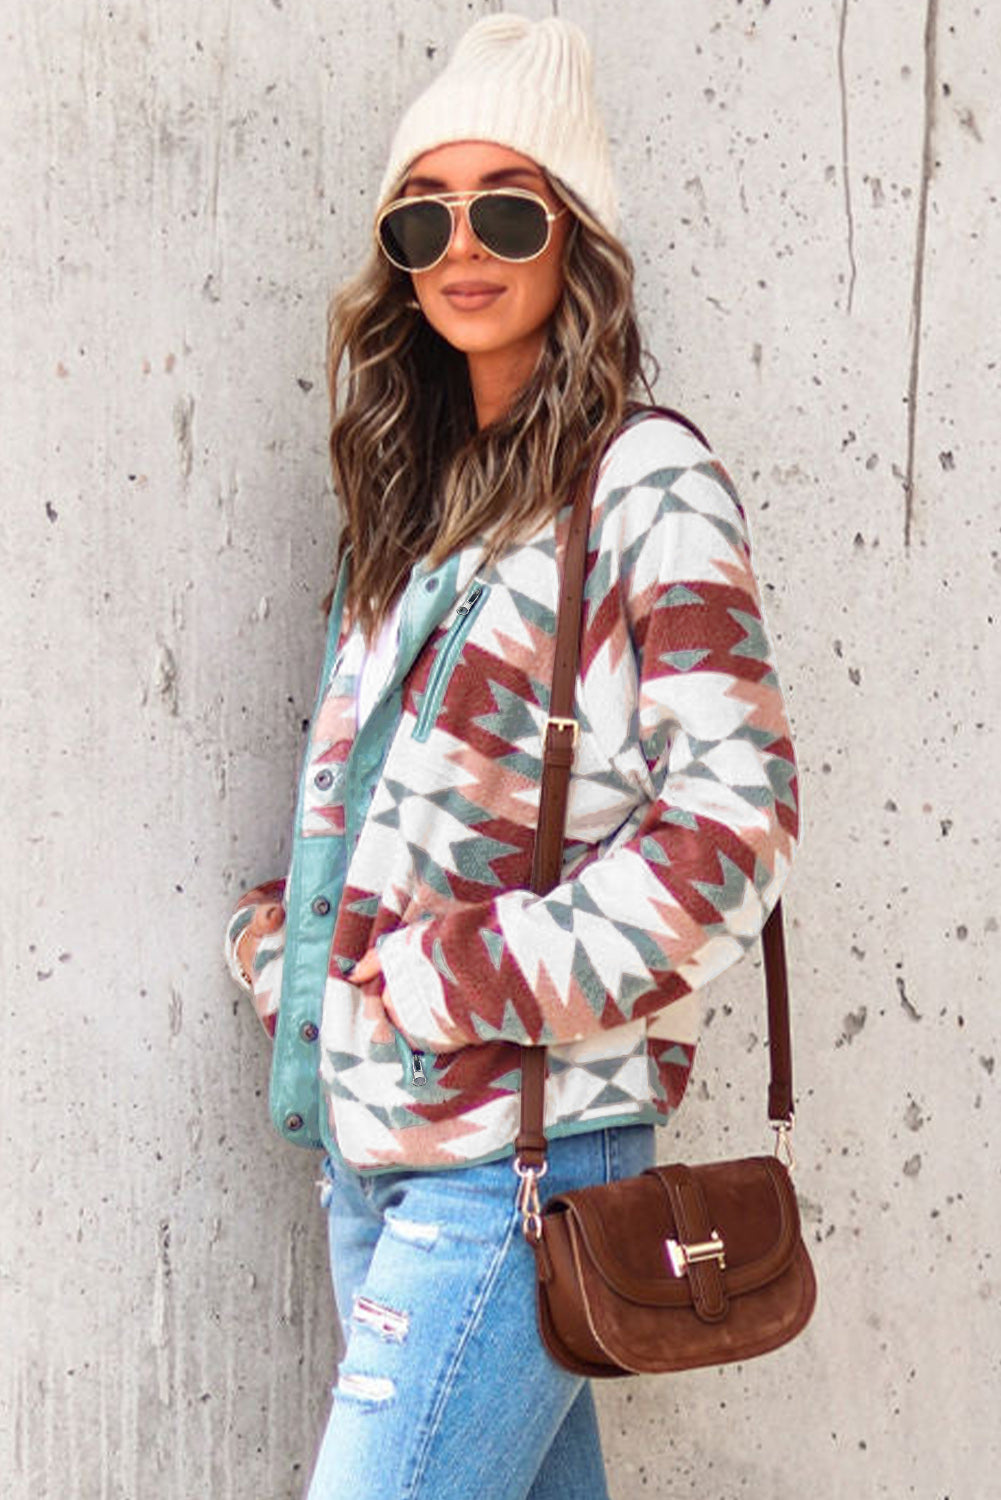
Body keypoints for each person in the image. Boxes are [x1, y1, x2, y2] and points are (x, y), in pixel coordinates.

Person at [224, 14, 799, 1499]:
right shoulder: (414, 504)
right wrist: (302, 957)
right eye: (423, 217)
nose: (462, 246)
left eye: (508, 209)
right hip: (376, 1147)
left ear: (576, 239)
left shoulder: (646, 483)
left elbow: (734, 829)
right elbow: (381, 803)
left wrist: (451, 978)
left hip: (519, 1161)